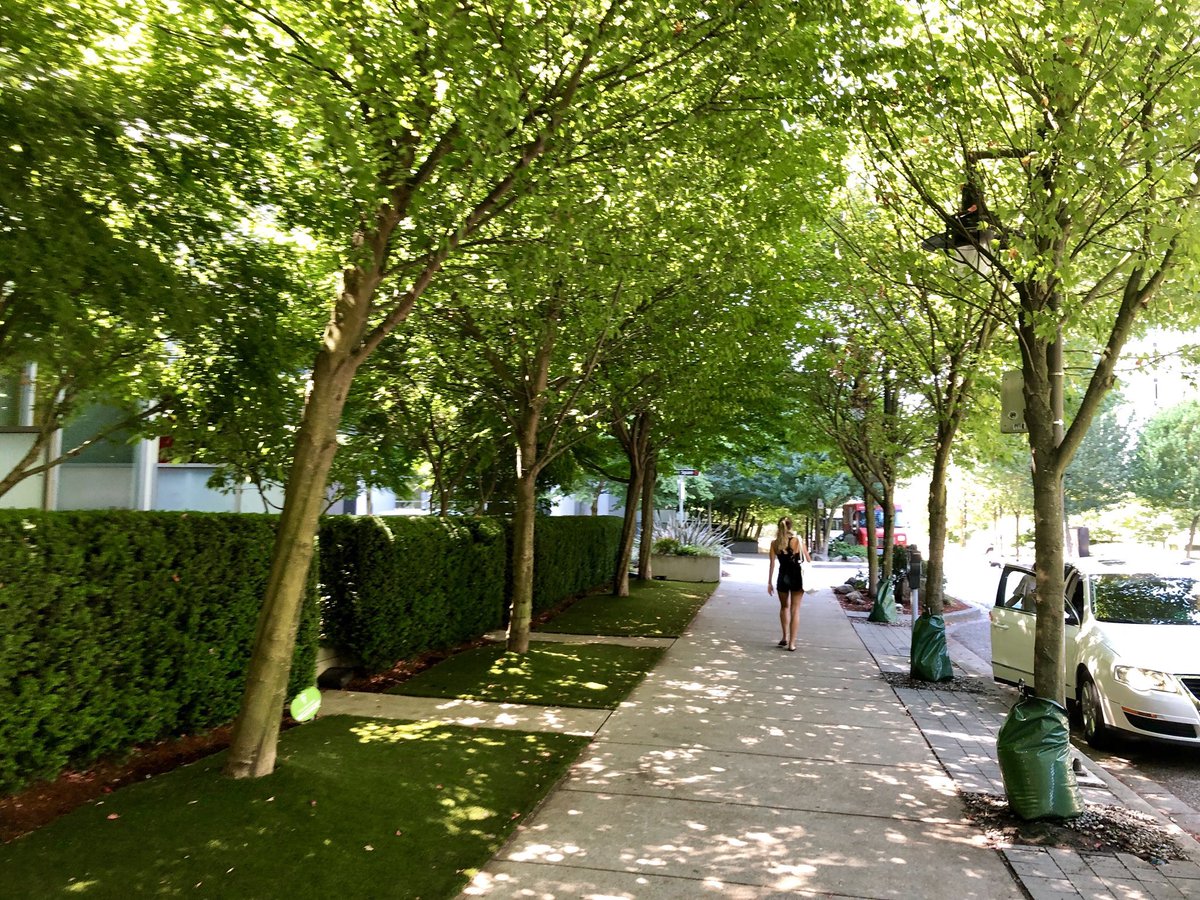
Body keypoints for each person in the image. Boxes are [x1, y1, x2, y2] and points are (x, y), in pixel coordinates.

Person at [767, 515, 811, 651]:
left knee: (784, 607)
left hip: (782, 577)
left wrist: (769, 582)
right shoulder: (797, 541)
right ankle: (792, 644)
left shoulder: (774, 544)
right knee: (795, 609)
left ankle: (784, 637)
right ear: (791, 526)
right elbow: (808, 559)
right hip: (797, 577)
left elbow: (772, 564)